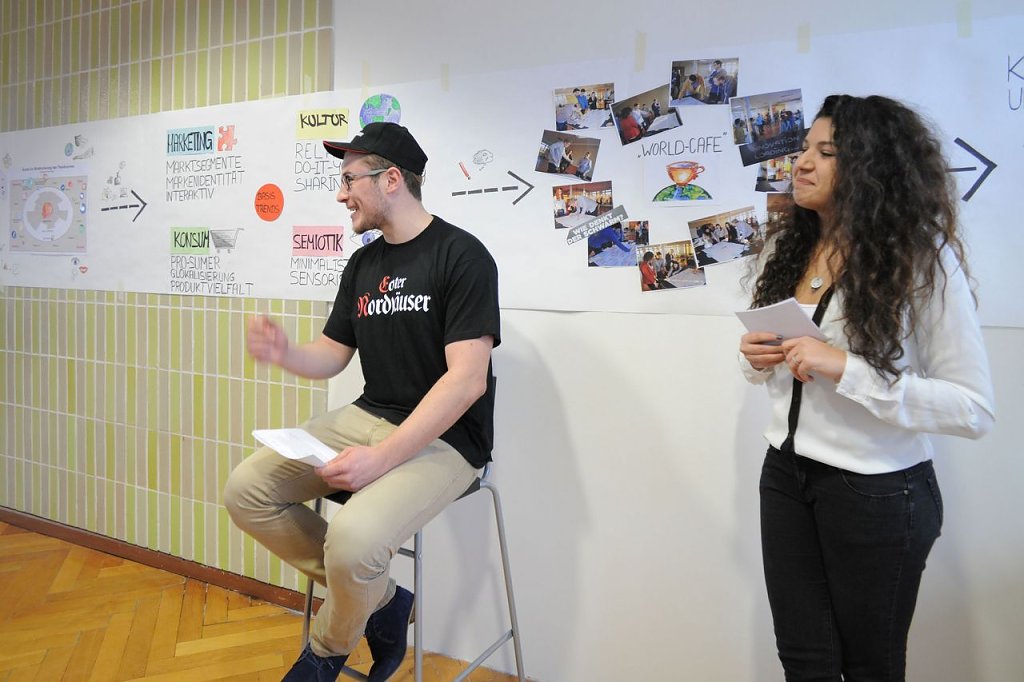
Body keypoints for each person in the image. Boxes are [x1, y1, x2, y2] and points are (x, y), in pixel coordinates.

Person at [224, 122, 501, 682]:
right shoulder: (364, 264)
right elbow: (333, 353)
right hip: (368, 414)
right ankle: (385, 599)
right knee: (246, 492)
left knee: (353, 542)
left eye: (349, 179)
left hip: (447, 439)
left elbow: (467, 381)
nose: (341, 193)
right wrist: (285, 353)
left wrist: (381, 459)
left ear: (391, 179)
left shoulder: (463, 256)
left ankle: (324, 652)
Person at [739, 95, 995, 681]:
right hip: (785, 476)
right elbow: (788, 369)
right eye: (804, 148)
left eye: (826, 152)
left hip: (876, 493)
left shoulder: (921, 260)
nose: (802, 162)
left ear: (872, 167)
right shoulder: (791, 248)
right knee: (805, 664)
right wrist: (757, 359)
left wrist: (846, 367)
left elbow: (973, 409)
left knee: (869, 668)